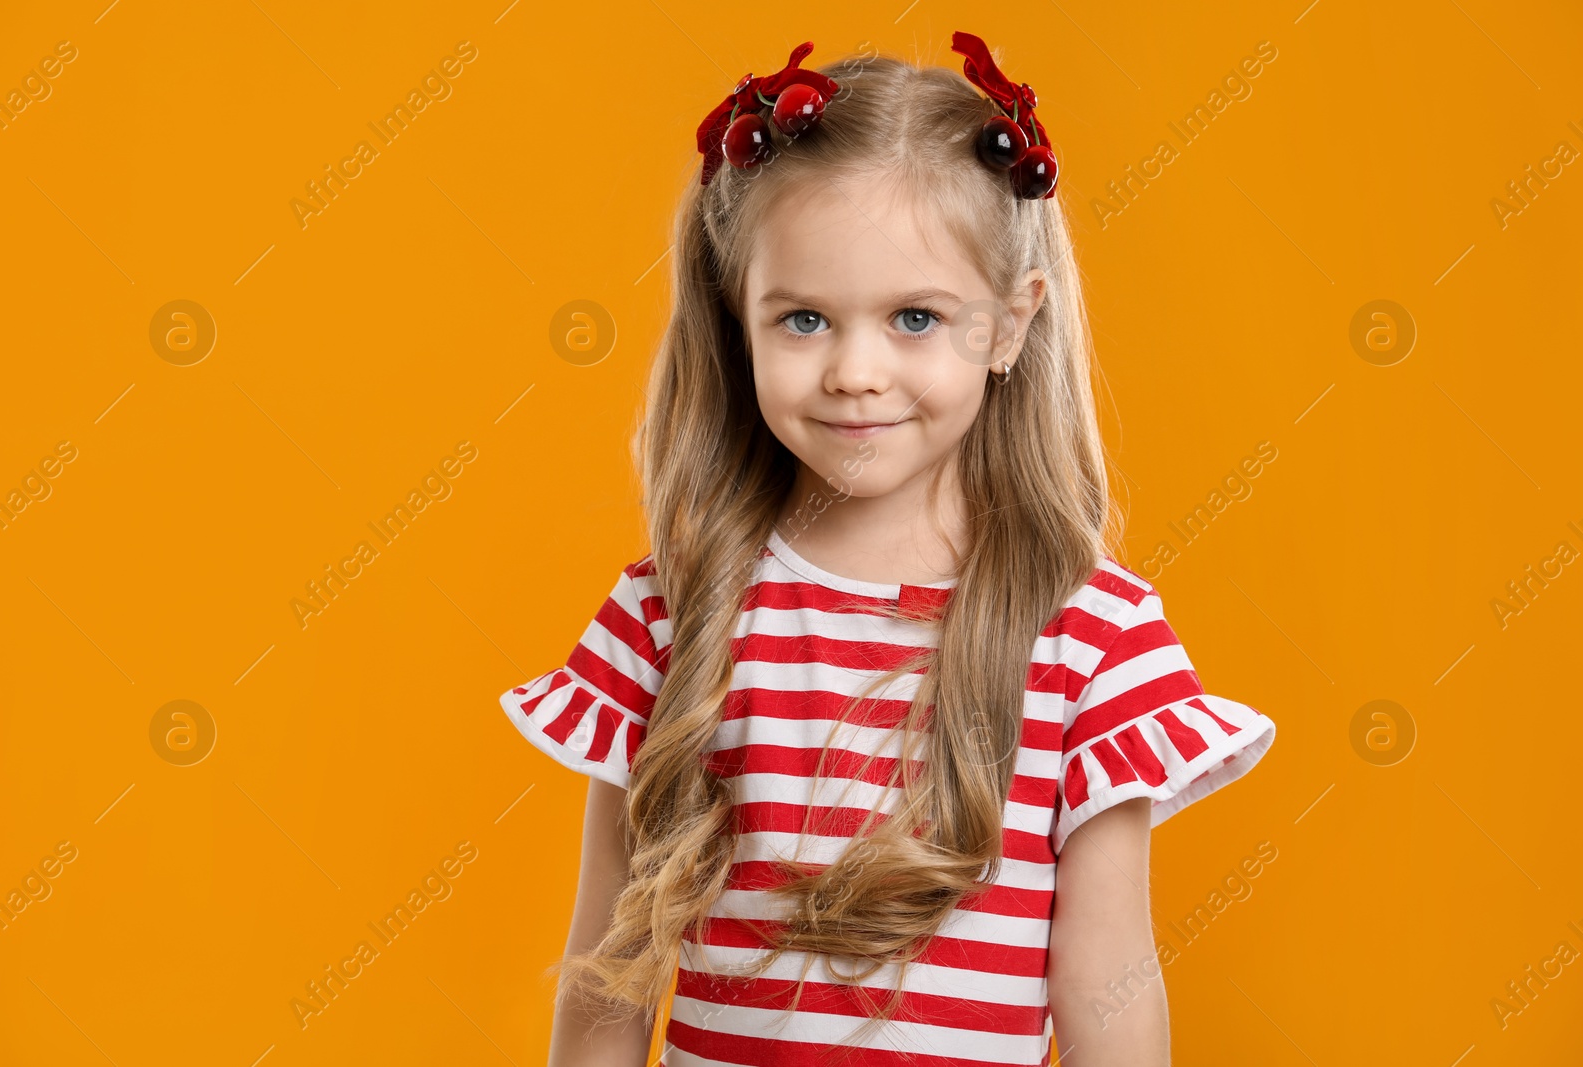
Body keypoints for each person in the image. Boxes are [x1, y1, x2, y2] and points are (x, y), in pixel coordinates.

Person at [499, 31, 1276, 1067]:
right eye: (805, 319)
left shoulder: (1093, 639)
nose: (856, 372)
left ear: (1007, 325)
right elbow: (608, 977)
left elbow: (1108, 988)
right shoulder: (669, 614)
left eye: (915, 316)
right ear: (739, 323)